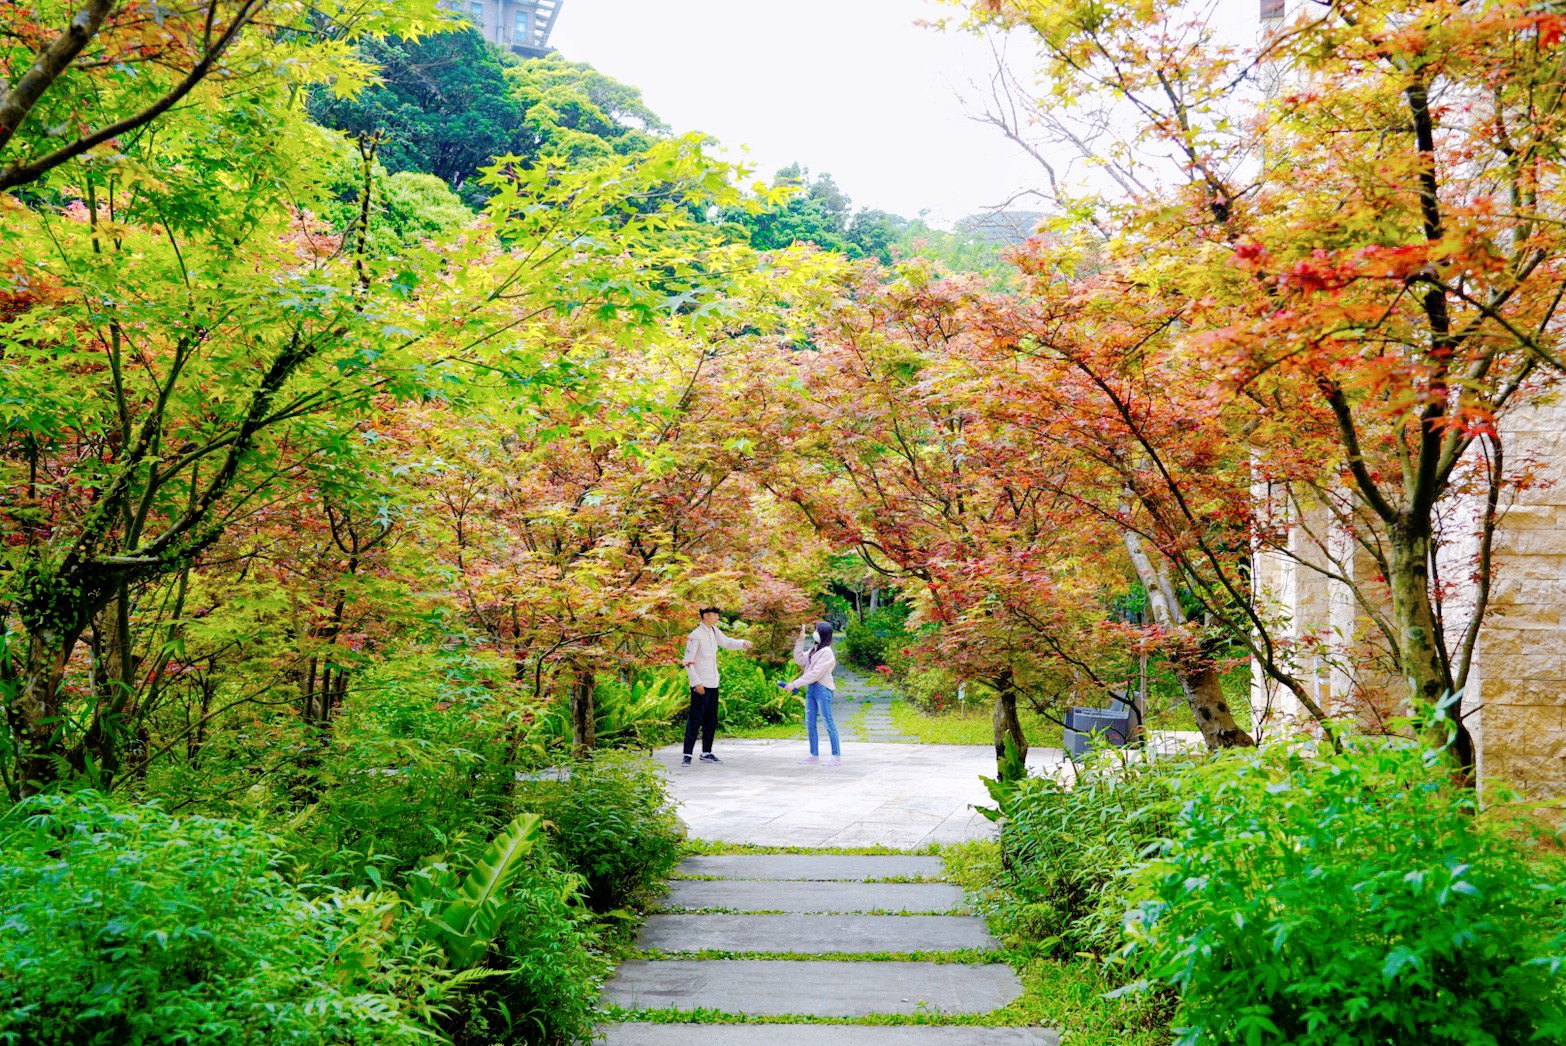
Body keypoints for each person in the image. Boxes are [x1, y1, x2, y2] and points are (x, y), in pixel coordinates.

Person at [680, 605, 753, 766]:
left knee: (711, 719)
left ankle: (706, 752)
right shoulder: (695, 635)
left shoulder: (714, 631)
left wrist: (742, 643)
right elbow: (688, 662)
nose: (717, 618)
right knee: (695, 719)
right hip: (701, 684)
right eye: (715, 615)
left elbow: (727, 642)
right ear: (706, 615)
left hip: (713, 682)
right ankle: (687, 754)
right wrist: (696, 683)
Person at [784, 620, 840, 766]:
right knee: (810, 722)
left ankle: (836, 756)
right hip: (812, 689)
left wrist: (794, 684)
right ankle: (813, 754)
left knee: (828, 722)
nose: (814, 632)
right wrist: (800, 640)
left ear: (822, 634)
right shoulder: (815, 649)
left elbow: (814, 674)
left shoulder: (827, 653)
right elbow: (799, 659)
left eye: (816, 630)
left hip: (823, 689)